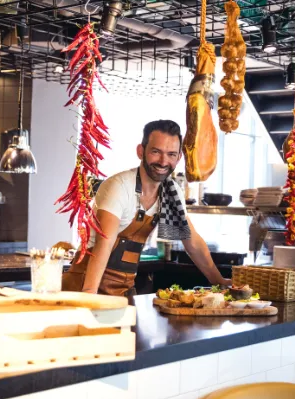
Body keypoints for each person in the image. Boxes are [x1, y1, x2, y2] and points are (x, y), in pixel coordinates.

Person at [62, 119, 231, 296]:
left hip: (122, 290)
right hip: (83, 285)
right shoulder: (119, 187)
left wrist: (219, 282)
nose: (163, 161)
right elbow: (105, 242)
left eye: (171, 154)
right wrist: (90, 294)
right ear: (141, 151)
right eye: (156, 152)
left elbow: (192, 243)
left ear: (179, 157)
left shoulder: (171, 193)